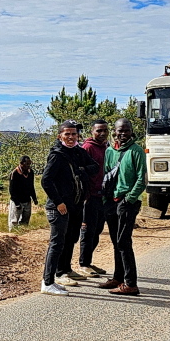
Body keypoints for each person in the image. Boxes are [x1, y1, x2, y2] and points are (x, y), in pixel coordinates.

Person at [40, 119, 99, 296]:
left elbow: (94, 167)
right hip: (59, 207)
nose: (71, 137)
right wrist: (59, 202)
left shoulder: (78, 152)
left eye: (74, 134)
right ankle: (48, 281)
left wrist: (81, 170)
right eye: (67, 134)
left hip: (76, 204)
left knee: (70, 238)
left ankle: (63, 272)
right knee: (57, 243)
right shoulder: (57, 155)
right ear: (60, 136)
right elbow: (46, 181)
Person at [96, 118, 145, 296]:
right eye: (119, 130)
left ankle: (131, 284)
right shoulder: (110, 151)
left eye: (126, 130)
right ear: (114, 132)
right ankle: (118, 277)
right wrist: (106, 200)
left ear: (131, 131)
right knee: (116, 242)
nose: (122, 134)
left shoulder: (136, 151)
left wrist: (130, 198)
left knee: (124, 242)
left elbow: (142, 179)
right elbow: (107, 175)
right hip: (111, 201)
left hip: (127, 202)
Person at [74, 119, 109, 277]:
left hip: (102, 196)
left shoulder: (106, 148)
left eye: (104, 131)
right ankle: (83, 264)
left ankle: (88, 262)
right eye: (98, 131)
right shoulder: (88, 147)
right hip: (90, 197)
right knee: (88, 231)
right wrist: (85, 195)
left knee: (97, 230)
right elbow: (81, 172)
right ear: (92, 132)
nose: (102, 134)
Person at [7, 155, 38, 231]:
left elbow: (31, 186)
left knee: (25, 221)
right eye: (27, 164)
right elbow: (12, 190)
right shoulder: (14, 173)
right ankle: (12, 236)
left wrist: (34, 198)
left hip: (27, 200)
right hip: (17, 201)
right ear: (21, 163)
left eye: (29, 163)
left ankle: (23, 236)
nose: (28, 166)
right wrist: (17, 203)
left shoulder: (31, 172)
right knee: (14, 221)